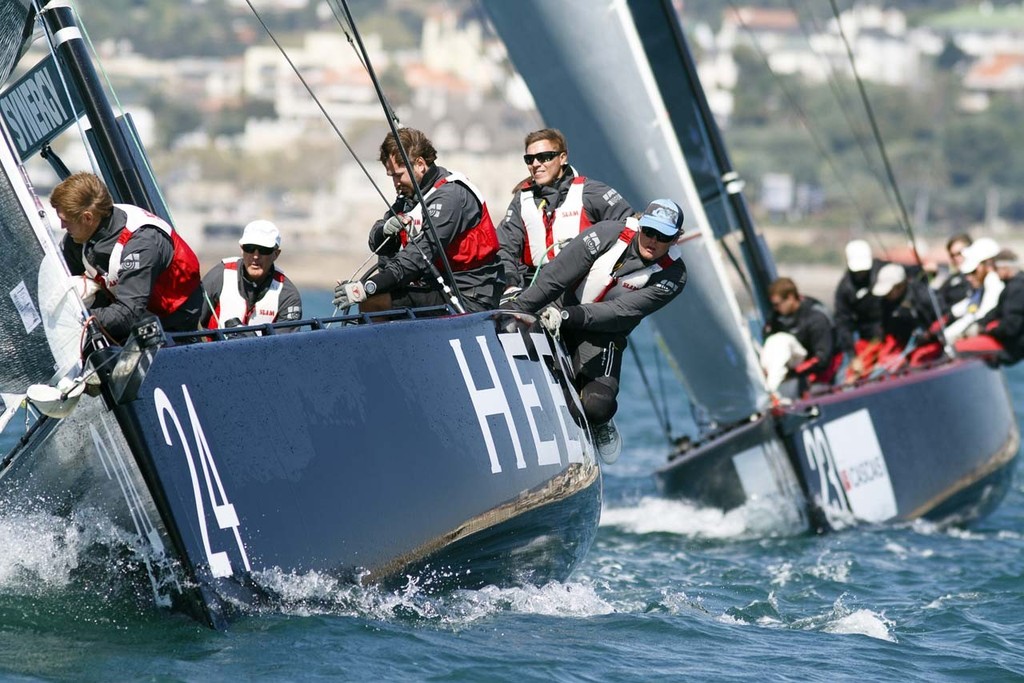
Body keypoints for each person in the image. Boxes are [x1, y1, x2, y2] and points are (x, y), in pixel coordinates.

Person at [507, 198, 688, 460]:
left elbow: (621, 311)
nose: (653, 240)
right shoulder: (605, 234)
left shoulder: (674, 276)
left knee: (596, 407)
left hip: (602, 331)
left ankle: (601, 424)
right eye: (649, 231)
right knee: (513, 339)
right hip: (556, 311)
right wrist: (517, 310)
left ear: (674, 240)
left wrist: (567, 316)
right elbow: (554, 277)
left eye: (663, 236)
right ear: (640, 226)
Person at [332, 127, 502, 314]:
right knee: (380, 291)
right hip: (433, 287)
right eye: (392, 177)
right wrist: (385, 230)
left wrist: (366, 288)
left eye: (399, 175)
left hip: (468, 295)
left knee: (374, 300)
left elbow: (417, 257)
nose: (396, 183)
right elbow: (377, 243)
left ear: (420, 164)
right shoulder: (410, 196)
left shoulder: (449, 197)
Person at [53, 171, 202, 343]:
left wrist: (75, 316)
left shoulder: (141, 245)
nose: (62, 226)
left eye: (66, 220)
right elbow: (59, 278)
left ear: (88, 217)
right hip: (127, 306)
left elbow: (127, 315)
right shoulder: (79, 236)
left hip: (171, 322)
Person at [496, 128, 632, 302]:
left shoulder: (591, 192)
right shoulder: (522, 200)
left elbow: (629, 230)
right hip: (535, 292)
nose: (536, 164)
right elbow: (505, 248)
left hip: (582, 292)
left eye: (544, 157)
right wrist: (510, 285)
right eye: (529, 159)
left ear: (562, 158)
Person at [200, 220, 302, 332]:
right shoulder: (219, 276)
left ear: (276, 254)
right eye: (249, 248)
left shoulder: (288, 296)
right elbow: (191, 324)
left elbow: (284, 345)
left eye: (264, 250)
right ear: (241, 249)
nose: (255, 256)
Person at [760, 277, 840, 396]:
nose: (775, 309)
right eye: (773, 306)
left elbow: (822, 359)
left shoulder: (816, 319)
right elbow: (768, 339)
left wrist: (793, 373)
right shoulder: (776, 318)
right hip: (799, 368)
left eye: (777, 305)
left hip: (826, 369)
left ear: (791, 298)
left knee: (815, 391)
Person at [954, 247, 1024, 365]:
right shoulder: (1013, 287)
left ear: (1006, 268)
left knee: (957, 349)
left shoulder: (1017, 289)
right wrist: (980, 324)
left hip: (1014, 349)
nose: (994, 272)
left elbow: (1010, 327)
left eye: (996, 268)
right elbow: (996, 312)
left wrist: (987, 331)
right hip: (1010, 344)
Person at [870, 263, 938, 372]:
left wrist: (930, 333)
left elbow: (941, 318)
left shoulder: (921, 295)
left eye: (890, 291)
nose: (886, 295)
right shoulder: (886, 303)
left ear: (900, 286)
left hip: (930, 345)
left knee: (917, 363)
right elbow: (886, 331)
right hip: (904, 346)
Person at [834, 239, 886, 381]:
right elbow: (843, 324)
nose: (861, 274)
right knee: (848, 376)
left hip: (890, 333)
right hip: (867, 340)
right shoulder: (845, 289)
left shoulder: (882, 270)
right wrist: (852, 356)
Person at [936, 233, 973, 316]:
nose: (956, 258)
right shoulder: (951, 280)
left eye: (959, 253)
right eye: (952, 255)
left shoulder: (981, 277)